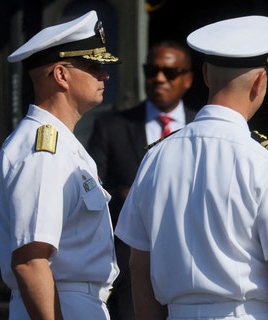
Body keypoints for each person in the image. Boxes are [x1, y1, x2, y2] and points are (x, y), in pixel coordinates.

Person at [114, 15, 268, 320]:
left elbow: (138, 265)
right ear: (260, 82)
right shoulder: (267, 163)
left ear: (206, 75)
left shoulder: (155, 158)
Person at [0, 10, 120, 320]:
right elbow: (30, 261)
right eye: (93, 66)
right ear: (61, 75)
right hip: (60, 303)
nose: (105, 75)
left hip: (72, 301)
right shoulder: (43, 150)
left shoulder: (61, 145)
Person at [87, 39, 196, 320]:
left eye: (169, 73)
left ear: (188, 80)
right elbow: (90, 190)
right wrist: (124, 196)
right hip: (131, 270)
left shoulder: (203, 130)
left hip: (194, 269)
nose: (159, 78)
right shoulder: (111, 127)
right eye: (151, 70)